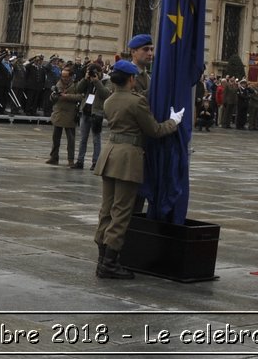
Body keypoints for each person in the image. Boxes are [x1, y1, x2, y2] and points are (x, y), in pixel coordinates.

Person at [92, 60, 182, 279]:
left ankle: (102, 258)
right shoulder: (136, 102)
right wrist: (173, 121)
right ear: (132, 79)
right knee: (122, 212)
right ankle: (110, 264)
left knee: (106, 210)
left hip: (109, 155)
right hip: (128, 159)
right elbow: (154, 130)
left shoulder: (110, 100)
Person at [73, 62, 107, 170]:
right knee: (83, 138)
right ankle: (80, 161)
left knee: (96, 139)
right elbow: (78, 89)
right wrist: (85, 79)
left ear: (100, 72)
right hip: (85, 111)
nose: (93, 74)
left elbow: (105, 94)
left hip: (97, 113)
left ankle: (96, 162)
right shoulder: (88, 80)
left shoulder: (106, 80)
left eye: (95, 73)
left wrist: (97, 81)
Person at [47, 66, 81, 165]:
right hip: (58, 113)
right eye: (62, 76)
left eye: (66, 76)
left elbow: (80, 97)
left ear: (71, 77)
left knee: (71, 139)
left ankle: (70, 159)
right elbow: (52, 98)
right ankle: (54, 157)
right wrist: (53, 95)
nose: (64, 78)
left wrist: (67, 96)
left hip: (70, 114)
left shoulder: (76, 85)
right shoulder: (58, 83)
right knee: (55, 138)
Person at [126, 34, 154, 100]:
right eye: (146, 49)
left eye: (152, 49)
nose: (150, 53)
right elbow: (134, 99)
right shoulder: (126, 74)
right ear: (133, 52)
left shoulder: (148, 75)